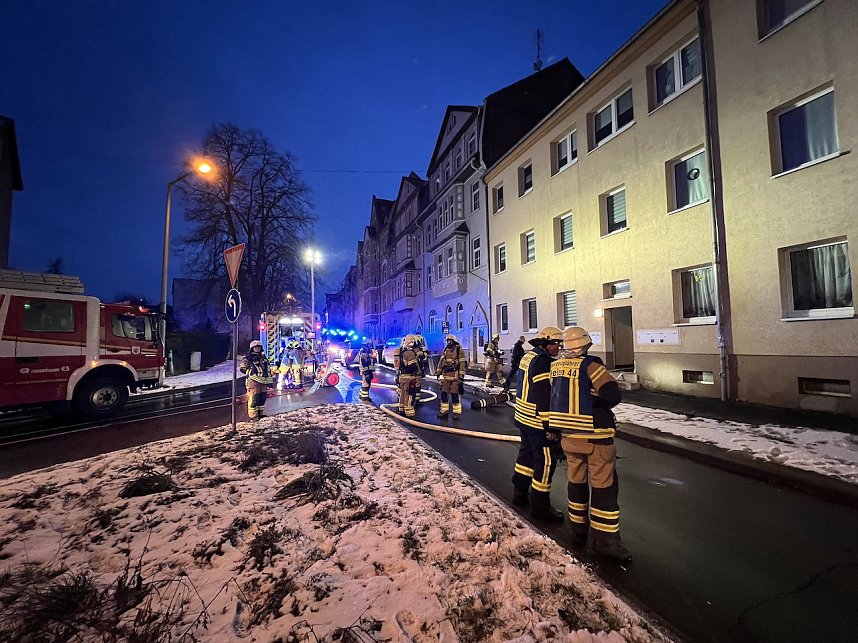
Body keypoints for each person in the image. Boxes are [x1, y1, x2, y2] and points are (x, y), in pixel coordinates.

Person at [549, 326, 630, 561]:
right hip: (595, 437)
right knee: (604, 487)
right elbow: (612, 395)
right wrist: (594, 398)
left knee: (576, 482)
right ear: (585, 345)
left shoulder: (556, 366)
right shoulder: (591, 365)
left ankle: (578, 530)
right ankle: (605, 541)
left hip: (569, 437)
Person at [512, 327, 564, 521]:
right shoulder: (542, 361)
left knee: (526, 457)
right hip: (536, 421)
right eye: (556, 343)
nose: (558, 347)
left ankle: (519, 493)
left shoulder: (529, 356)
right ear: (545, 343)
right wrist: (550, 426)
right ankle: (540, 507)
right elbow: (542, 394)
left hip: (523, 417)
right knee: (546, 461)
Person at [240, 340, 273, 420]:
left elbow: (267, 369)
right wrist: (250, 372)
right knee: (254, 399)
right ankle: (253, 416)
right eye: (255, 347)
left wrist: (270, 380)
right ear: (252, 348)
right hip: (254, 381)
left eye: (258, 347)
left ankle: (260, 414)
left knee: (262, 398)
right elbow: (242, 368)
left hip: (263, 381)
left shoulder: (263, 357)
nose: (257, 348)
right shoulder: (248, 358)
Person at [435, 334, 466, 419]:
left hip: (455, 377)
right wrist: (438, 372)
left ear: (454, 341)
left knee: (455, 395)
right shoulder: (445, 350)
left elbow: (462, 363)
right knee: (444, 394)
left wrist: (461, 375)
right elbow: (441, 362)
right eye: (448, 341)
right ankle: (444, 411)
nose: (449, 342)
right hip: (446, 377)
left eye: (450, 341)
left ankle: (457, 412)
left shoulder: (459, 350)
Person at [393, 334, 420, 418]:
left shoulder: (400, 351)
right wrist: (418, 371)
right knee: (409, 394)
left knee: (402, 394)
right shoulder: (409, 353)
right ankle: (409, 412)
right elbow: (413, 367)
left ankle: (401, 409)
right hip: (409, 377)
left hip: (401, 376)